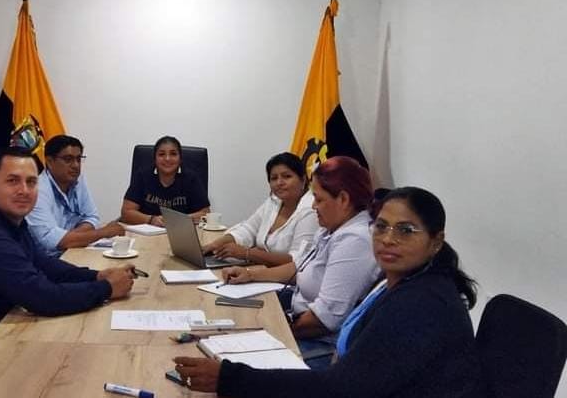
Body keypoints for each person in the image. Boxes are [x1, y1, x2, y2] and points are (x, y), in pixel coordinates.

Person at [173, 186, 485, 398]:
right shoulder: (402, 281)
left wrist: (230, 378)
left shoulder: (422, 304)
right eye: (381, 226)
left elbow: (340, 388)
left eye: (405, 230)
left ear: (435, 241)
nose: (388, 239)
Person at [0, 147, 135, 359]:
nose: (24, 190)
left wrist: (96, 276)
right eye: (12, 181)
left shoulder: (8, 220)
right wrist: (107, 288)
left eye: (31, 182)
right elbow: (42, 297)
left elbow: (42, 263)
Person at [215, 156, 380, 368]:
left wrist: (272, 332)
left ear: (343, 199)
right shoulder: (332, 228)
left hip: (320, 345)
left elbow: (323, 320)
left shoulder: (355, 241)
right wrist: (250, 275)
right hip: (298, 320)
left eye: (318, 199)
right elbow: (298, 266)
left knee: (232, 363)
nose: (313, 206)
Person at [203, 152, 318, 267]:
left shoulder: (311, 210)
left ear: (303, 180)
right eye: (274, 178)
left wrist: (246, 253)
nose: (279, 182)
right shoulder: (274, 201)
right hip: (260, 269)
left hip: (286, 276)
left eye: (287, 176)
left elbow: (297, 261)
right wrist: (215, 244)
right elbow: (248, 229)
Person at [25, 135, 124, 258]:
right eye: (68, 159)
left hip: (74, 249)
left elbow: (92, 217)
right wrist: (103, 233)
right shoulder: (38, 190)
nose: (76, 165)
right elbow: (50, 240)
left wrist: (71, 238)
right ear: (50, 162)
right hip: (48, 260)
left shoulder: (78, 180)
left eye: (78, 159)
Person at [121, 135, 210, 226]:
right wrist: (151, 220)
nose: (167, 159)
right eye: (161, 154)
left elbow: (205, 214)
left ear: (180, 159)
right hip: (147, 229)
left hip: (181, 230)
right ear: (155, 159)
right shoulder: (143, 176)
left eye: (173, 154)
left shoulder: (191, 179)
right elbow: (126, 212)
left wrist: (177, 220)